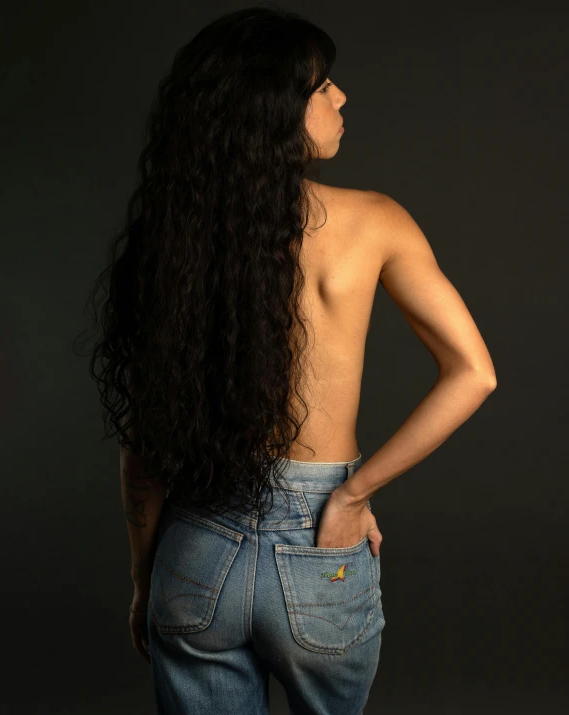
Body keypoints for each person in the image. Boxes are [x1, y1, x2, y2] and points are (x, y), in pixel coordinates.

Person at [77, 5, 496, 714]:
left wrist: (147, 579)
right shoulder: (375, 221)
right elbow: (475, 372)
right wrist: (354, 494)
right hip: (320, 543)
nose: (340, 97)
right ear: (273, 112)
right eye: (321, 85)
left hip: (195, 545)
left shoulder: (172, 244)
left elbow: (142, 445)